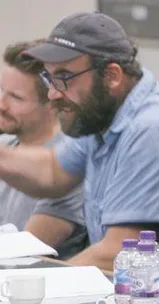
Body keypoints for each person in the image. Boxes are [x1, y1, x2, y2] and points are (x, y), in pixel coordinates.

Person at [0, 12, 159, 270]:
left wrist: (44, 286)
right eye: (49, 78)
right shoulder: (100, 115)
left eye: (63, 78)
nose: (52, 94)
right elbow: (51, 172)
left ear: (111, 76)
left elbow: (119, 249)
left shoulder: (151, 130)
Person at [0, 40, 86, 259]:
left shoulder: (68, 164)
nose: (1, 104)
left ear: (51, 102)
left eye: (16, 97)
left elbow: (24, 252)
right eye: (1, 90)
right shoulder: (7, 150)